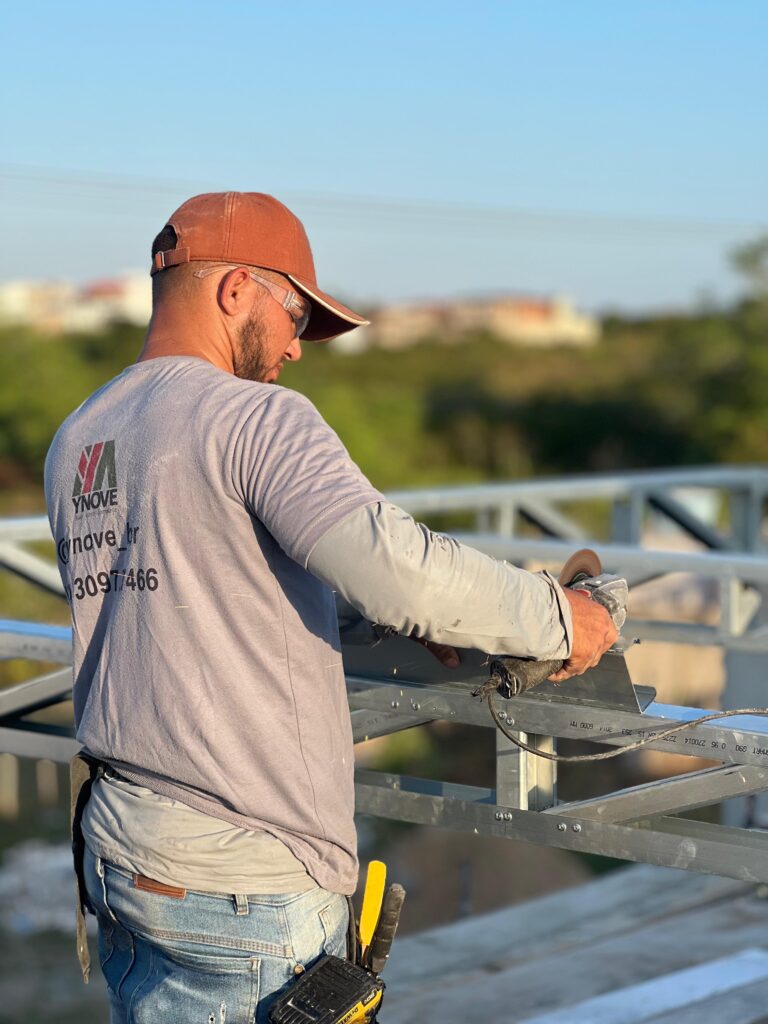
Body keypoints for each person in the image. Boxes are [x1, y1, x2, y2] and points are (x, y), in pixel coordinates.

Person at [44, 191, 617, 1022]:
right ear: (237, 288)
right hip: (243, 884)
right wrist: (563, 618)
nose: (297, 348)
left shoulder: (82, 434)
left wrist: (367, 625)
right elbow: (399, 566)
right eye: (295, 314)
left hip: (125, 852)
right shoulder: (253, 419)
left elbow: (181, 601)